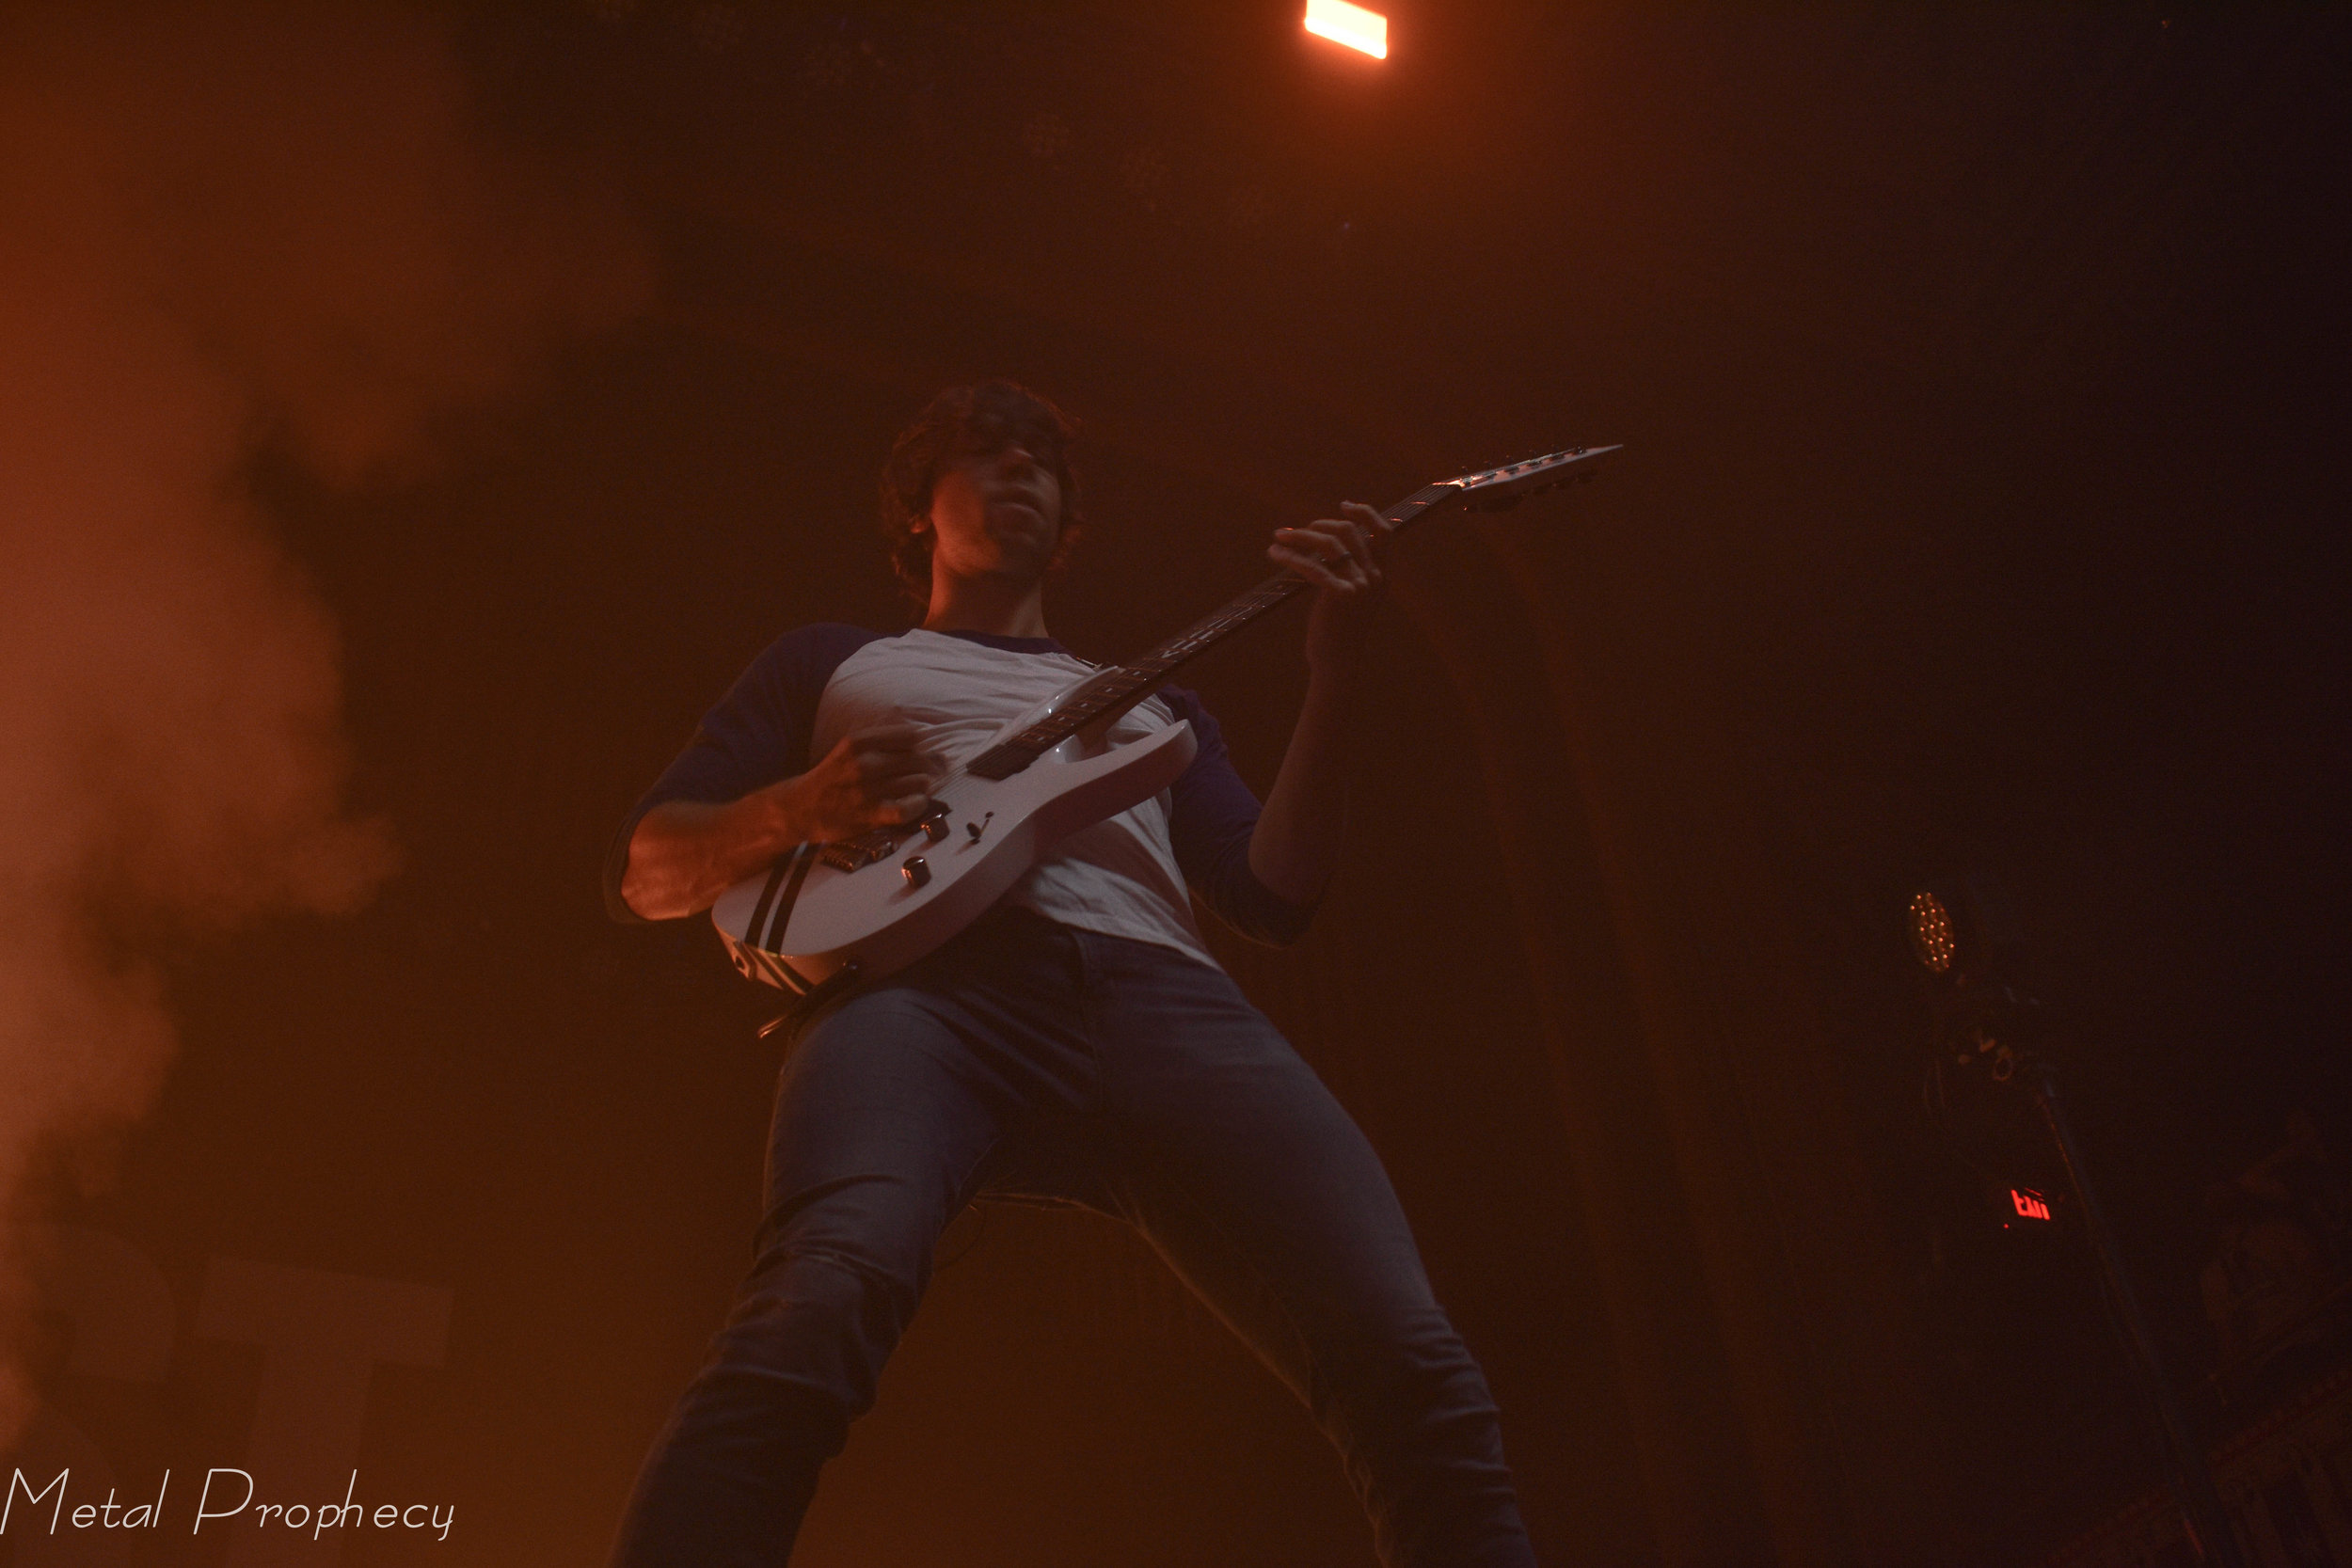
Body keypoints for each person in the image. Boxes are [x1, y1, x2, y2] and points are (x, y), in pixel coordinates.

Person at [601, 380, 1538, 1566]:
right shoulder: (836, 662)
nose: (1018, 474)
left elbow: (1274, 893)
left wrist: (1335, 665)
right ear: (915, 515)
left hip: (1163, 994)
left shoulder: (1155, 710)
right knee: (815, 1305)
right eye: (983, 456)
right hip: (918, 998)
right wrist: (793, 806)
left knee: (1417, 1370)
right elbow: (648, 871)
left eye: (1040, 461)